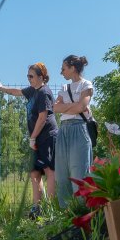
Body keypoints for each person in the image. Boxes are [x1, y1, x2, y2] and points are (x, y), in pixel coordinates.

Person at [0, 62, 55, 215]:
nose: (29, 79)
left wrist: (32, 138)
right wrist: (1, 88)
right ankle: (37, 207)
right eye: (28, 76)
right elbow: (17, 91)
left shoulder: (43, 92)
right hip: (36, 139)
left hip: (47, 137)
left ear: (41, 77)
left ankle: (52, 209)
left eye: (31, 76)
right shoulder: (32, 90)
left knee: (49, 170)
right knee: (34, 172)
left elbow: (42, 117)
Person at [53, 54, 94, 206]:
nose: (61, 72)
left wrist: (69, 107)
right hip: (63, 130)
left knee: (79, 174)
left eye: (63, 69)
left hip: (79, 129)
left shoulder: (86, 85)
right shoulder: (64, 88)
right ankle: (66, 215)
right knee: (62, 175)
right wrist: (74, 107)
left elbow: (81, 107)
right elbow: (55, 107)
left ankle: (83, 212)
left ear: (73, 68)